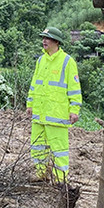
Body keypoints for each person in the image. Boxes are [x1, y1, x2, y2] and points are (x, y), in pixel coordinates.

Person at [26, 27, 82, 183]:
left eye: (48, 38)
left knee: (59, 150)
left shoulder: (67, 61)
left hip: (56, 115)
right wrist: (30, 104)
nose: (44, 40)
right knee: (37, 147)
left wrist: (74, 109)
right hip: (39, 113)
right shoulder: (41, 60)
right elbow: (34, 84)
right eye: (43, 37)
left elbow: (74, 88)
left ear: (56, 42)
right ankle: (41, 174)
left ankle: (60, 180)